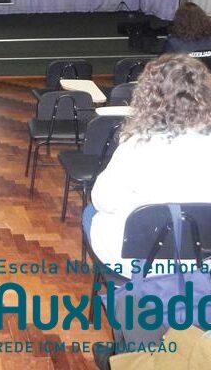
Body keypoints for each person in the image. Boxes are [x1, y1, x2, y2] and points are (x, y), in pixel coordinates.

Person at [85, 54, 211, 276]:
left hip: (140, 264)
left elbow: (102, 200)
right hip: (204, 262)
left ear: (148, 97)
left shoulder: (137, 146)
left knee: (90, 212)